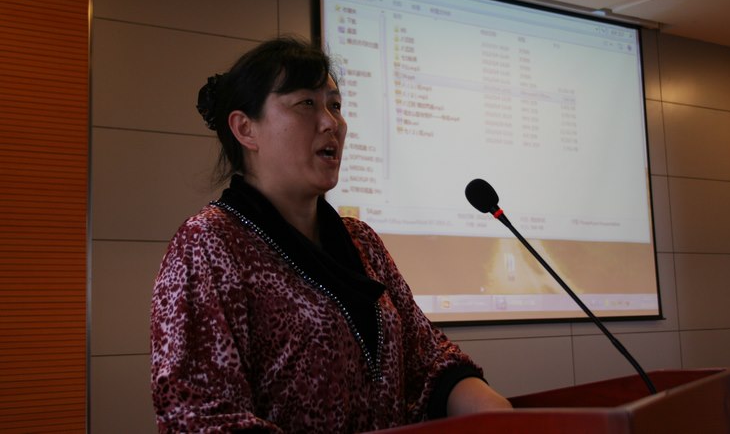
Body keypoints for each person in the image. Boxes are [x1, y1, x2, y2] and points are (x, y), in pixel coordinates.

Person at [150, 36, 512, 433]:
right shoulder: (208, 244)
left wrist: (493, 410)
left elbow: (427, 359)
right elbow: (199, 415)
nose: (331, 123)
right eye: (306, 103)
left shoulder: (361, 240)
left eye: (335, 105)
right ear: (245, 128)